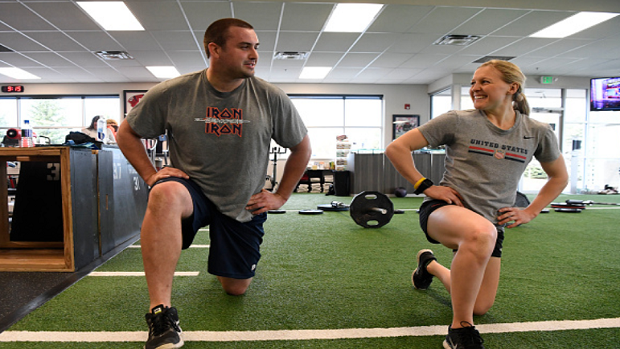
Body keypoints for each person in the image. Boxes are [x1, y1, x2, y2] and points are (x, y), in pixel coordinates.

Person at [116, 18, 311, 349]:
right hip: (192, 191)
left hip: (243, 200)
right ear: (215, 49)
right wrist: (151, 175)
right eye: (244, 46)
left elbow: (302, 148)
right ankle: (161, 313)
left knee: (235, 287)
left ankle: (227, 262)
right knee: (164, 192)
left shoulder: (270, 97)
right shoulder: (173, 92)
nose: (254, 55)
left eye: (256, 47)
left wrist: (280, 196)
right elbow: (126, 132)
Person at [385, 60, 568, 349]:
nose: (475, 88)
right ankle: (459, 330)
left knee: (480, 305)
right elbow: (397, 147)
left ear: (512, 87)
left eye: (484, 81)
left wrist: (530, 211)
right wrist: (426, 186)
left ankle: (429, 265)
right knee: (480, 236)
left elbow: (558, 177)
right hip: (444, 213)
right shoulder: (457, 120)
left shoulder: (537, 131)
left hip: (491, 227)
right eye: (473, 82)